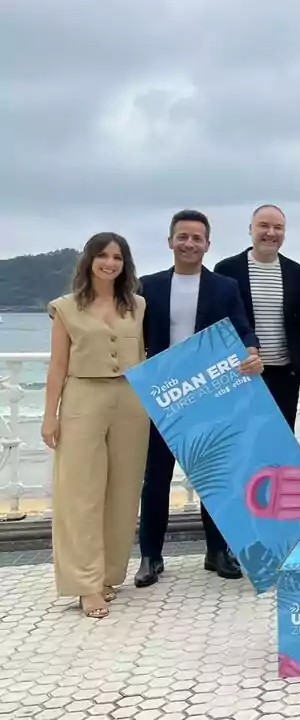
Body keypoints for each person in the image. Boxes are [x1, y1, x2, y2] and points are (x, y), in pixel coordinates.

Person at [135, 210, 263, 588]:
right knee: (156, 478)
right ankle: (150, 556)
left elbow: (242, 328)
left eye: (197, 238)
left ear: (207, 244)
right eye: (182, 236)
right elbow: (119, 319)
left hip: (209, 392)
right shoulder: (148, 286)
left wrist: (252, 352)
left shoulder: (224, 287)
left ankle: (217, 551)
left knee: (215, 476)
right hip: (164, 393)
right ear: (170, 240)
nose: (189, 243)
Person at [41, 233, 149, 619]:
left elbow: (146, 355)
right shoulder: (66, 308)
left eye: (117, 257)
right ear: (89, 260)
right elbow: (56, 365)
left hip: (131, 402)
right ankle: (85, 585)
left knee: (122, 491)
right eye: (102, 255)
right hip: (82, 399)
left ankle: (107, 575)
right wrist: (49, 414)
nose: (110, 263)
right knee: (81, 493)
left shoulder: (136, 305)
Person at [213, 204, 300, 429]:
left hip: (284, 374)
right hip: (240, 373)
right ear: (250, 229)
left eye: (278, 227)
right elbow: (218, 323)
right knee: (241, 441)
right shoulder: (226, 269)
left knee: (281, 444)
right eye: (264, 226)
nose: (271, 233)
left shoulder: (297, 273)